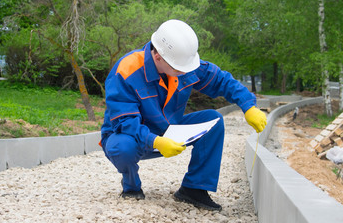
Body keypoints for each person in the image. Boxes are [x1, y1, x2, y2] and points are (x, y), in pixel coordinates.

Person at [100, 19, 267, 211]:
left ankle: (194, 189)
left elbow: (222, 80)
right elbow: (125, 122)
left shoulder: (183, 65)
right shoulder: (126, 71)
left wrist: (248, 106)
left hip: (168, 130)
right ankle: (131, 186)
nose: (183, 72)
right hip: (130, 136)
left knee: (214, 120)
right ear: (157, 57)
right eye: (178, 69)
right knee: (123, 147)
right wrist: (156, 142)